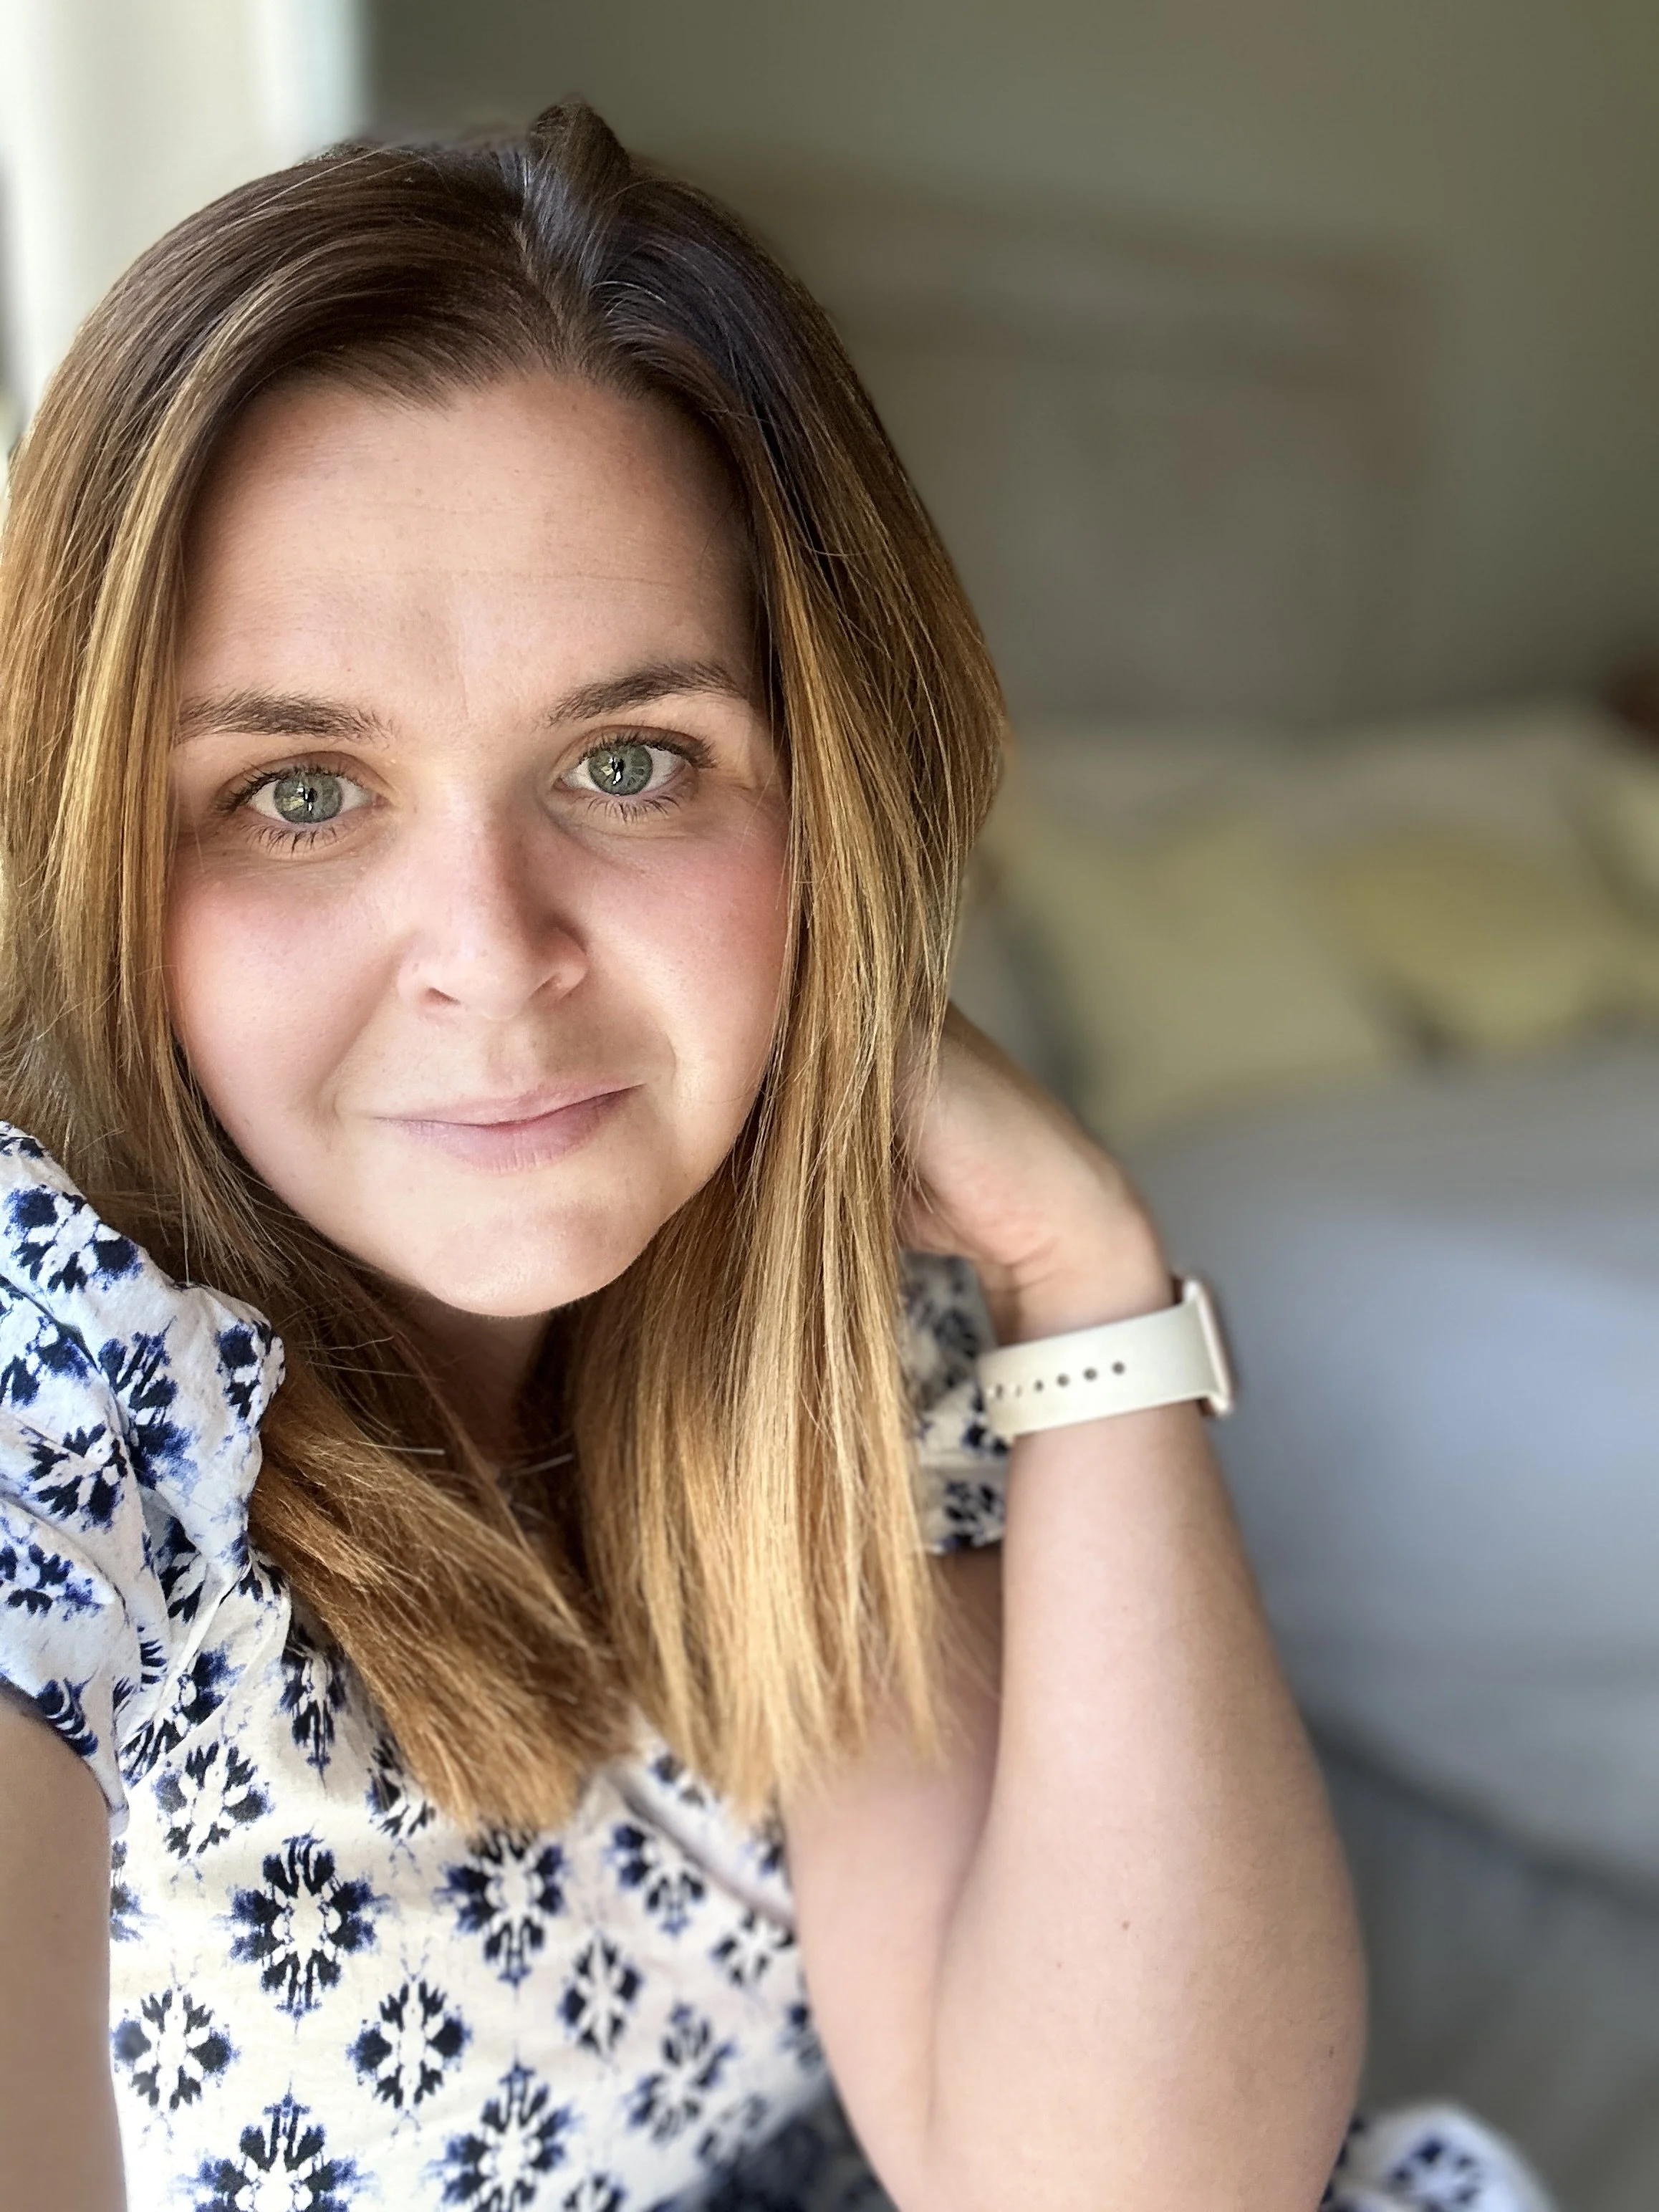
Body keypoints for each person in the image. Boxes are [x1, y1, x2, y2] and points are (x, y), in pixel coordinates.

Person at [0, 102, 1547, 2212]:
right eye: (294, 793)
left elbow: (1122, 2185)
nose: (491, 959)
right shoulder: (58, 1365)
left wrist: (1082, 1269)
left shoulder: (807, 1313)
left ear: (827, 807)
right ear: (99, 853)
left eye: (629, 762)